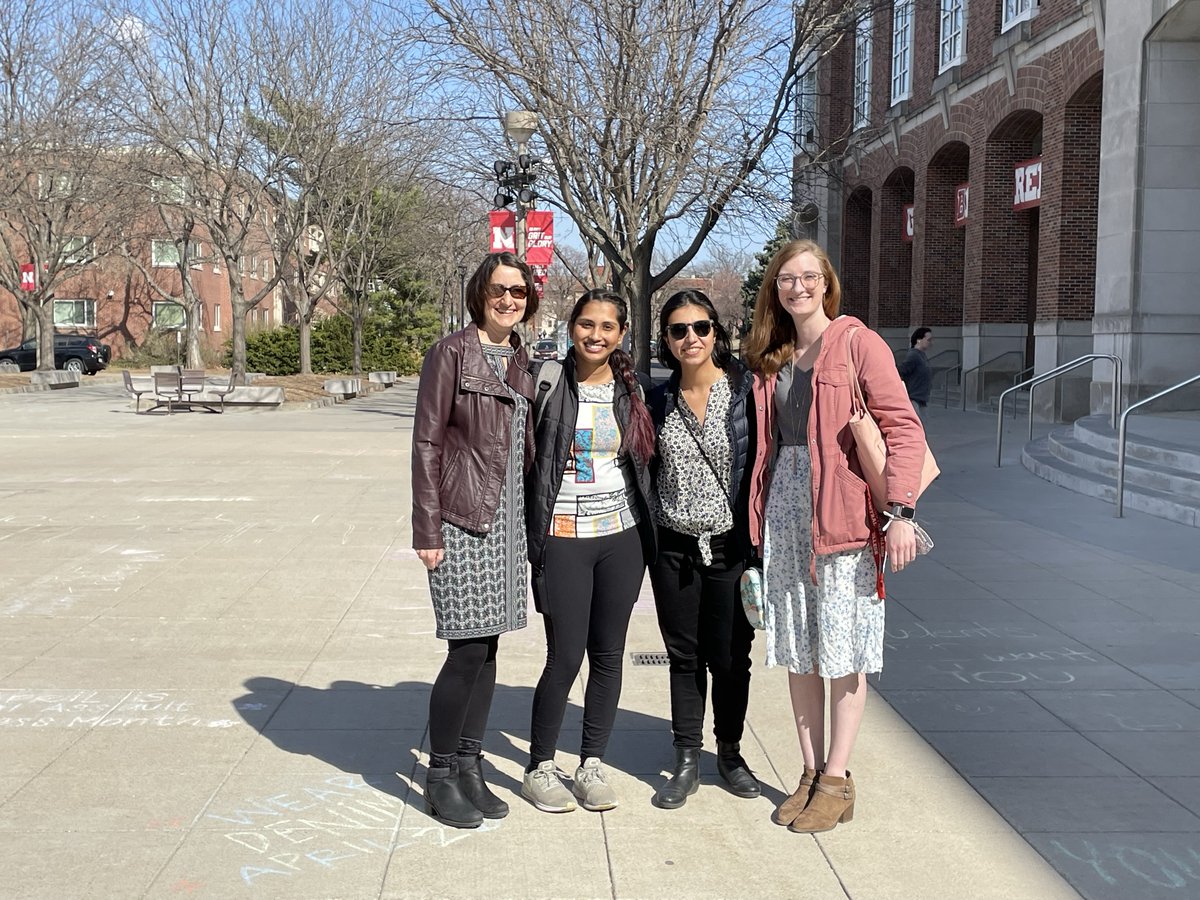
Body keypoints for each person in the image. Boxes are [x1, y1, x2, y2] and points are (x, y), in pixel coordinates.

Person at [742, 239, 926, 834]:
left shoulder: (855, 341)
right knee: (798, 645)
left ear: (827, 282)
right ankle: (809, 770)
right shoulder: (773, 357)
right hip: (787, 514)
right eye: (786, 278)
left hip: (843, 515)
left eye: (808, 276)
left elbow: (902, 425)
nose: (797, 286)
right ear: (776, 288)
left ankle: (838, 778)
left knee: (843, 650)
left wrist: (900, 511)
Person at [410, 251, 539, 829]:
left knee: (488, 650)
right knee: (464, 651)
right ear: (479, 293)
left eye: (518, 291)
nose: (509, 299)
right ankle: (439, 772)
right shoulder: (450, 354)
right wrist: (427, 527)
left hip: (506, 521)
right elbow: (427, 444)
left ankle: (469, 764)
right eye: (499, 290)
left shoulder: (519, 359)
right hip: (462, 520)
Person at [523, 289, 657, 813]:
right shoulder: (550, 383)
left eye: (607, 326)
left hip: (622, 538)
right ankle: (540, 765)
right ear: (572, 326)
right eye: (586, 323)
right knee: (565, 656)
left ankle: (591, 762)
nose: (595, 335)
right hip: (563, 537)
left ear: (621, 334)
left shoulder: (633, 390)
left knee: (608, 655)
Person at [646, 290, 760, 809]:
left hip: (729, 548)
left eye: (700, 327)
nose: (690, 338)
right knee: (683, 656)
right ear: (666, 341)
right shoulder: (657, 398)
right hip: (673, 547)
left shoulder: (746, 395)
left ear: (716, 331)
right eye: (677, 330)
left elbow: (762, 466)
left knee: (732, 658)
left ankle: (730, 754)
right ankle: (687, 756)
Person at [898, 326, 933, 413]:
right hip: (914, 399)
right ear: (919, 340)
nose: (931, 343)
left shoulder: (922, 355)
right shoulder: (913, 356)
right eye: (928, 340)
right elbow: (901, 371)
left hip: (922, 399)